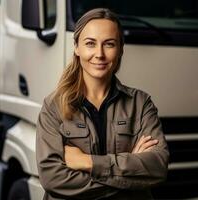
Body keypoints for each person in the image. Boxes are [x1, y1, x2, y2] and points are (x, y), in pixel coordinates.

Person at [36, 8, 169, 200]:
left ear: (121, 49)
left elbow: (157, 167)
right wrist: (131, 177)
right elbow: (52, 178)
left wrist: (87, 162)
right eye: (90, 44)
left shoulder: (140, 103)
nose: (99, 54)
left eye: (109, 44)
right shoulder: (53, 106)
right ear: (76, 47)